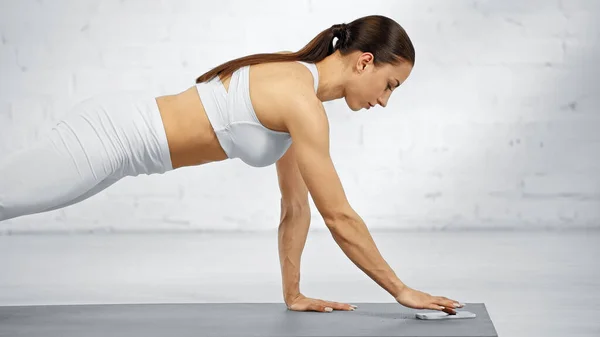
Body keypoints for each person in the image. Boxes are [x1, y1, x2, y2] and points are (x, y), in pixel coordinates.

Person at [0, 14, 464, 315]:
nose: (385, 101)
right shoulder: (299, 100)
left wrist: (293, 293)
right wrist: (400, 290)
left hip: (122, 151)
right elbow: (339, 217)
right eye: (390, 85)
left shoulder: (300, 100)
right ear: (365, 62)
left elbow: (295, 208)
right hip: (109, 136)